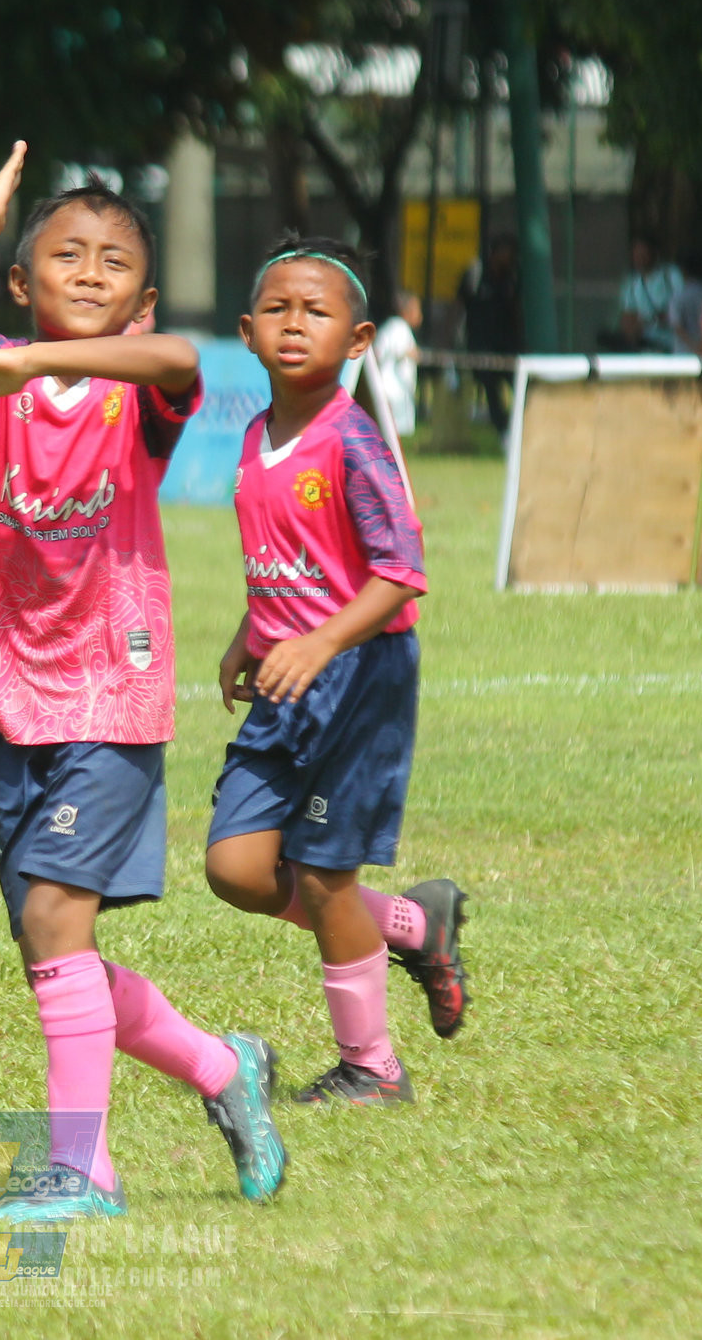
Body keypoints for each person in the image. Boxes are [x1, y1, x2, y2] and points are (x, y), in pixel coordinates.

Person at [0, 141, 286, 1225]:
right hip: (7, 695)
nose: (87, 271)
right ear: (21, 286)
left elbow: (177, 364)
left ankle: (80, 1172)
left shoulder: (133, 396)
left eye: (112, 260)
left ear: (141, 295)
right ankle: (222, 1068)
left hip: (109, 698)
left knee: (54, 912)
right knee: (53, 945)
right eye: (63, 256)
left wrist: (28, 362)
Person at [202, 234, 469, 1106]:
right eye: (277, 309)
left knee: (321, 875)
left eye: (316, 312)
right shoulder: (252, 438)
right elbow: (296, 556)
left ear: (357, 341)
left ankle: (373, 1066)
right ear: (246, 330)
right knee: (237, 868)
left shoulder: (353, 442)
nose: (293, 324)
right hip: (287, 684)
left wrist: (320, 641)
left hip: (359, 680)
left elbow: (399, 574)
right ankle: (412, 923)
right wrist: (254, 629)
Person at [459, 233, 521, 432]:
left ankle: (520, 425)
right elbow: (462, 303)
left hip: (506, 344)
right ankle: (501, 429)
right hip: (481, 343)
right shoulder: (476, 274)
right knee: (490, 387)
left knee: (517, 384)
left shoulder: (511, 278)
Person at [610, 235, 682, 351]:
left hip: (672, 345)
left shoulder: (670, 275)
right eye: (636, 253)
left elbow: (682, 309)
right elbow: (627, 315)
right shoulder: (632, 283)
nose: (640, 257)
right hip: (645, 347)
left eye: (644, 253)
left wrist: (654, 320)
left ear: (654, 253)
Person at [369, 289, 422, 436]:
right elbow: (400, 350)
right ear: (407, 310)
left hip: (390, 384)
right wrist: (412, 353)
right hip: (395, 386)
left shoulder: (390, 326)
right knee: (394, 426)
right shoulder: (400, 327)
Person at [666, 246, 702, 357]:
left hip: (683, 357)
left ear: (682, 271)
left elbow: (676, 326)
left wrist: (694, 347)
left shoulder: (678, 297)